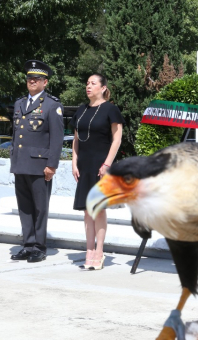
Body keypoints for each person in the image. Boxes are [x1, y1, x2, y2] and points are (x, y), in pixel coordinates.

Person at [10, 60, 64, 263]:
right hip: (21, 164)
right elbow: (16, 135)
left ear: (45, 82)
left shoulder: (52, 105)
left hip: (40, 165)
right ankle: (28, 244)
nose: (32, 81)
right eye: (29, 78)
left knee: (40, 207)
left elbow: (57, 139)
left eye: (37, 78)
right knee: (24, 206)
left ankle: (39, 247)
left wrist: (52, 165)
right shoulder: (19, 103)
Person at [71, 74, 123, 270]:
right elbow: (76, 139)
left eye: (93, 83)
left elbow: (117, 139)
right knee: (86, 210)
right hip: (84, 165)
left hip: (102, 165)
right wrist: (74, 163)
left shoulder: (111, 109)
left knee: (98, 209)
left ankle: (99, 251)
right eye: (87, 83)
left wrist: (107, 164)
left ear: (103, 88)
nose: (88, 86)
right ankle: (89, 250)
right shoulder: (81, 110)